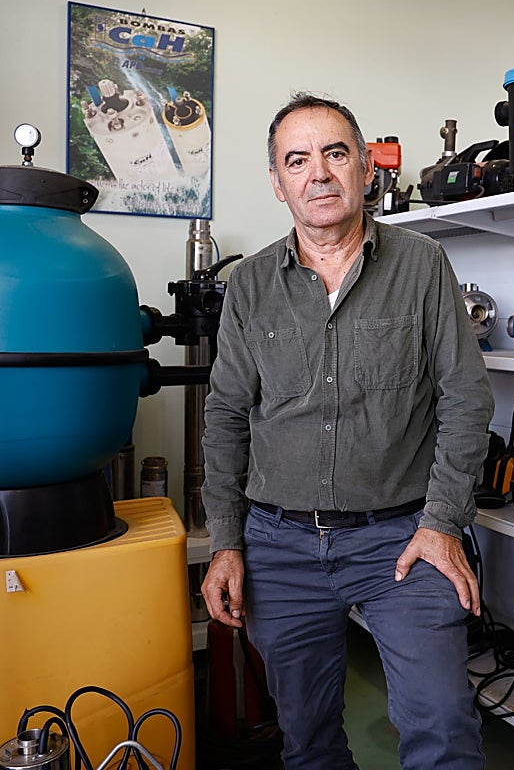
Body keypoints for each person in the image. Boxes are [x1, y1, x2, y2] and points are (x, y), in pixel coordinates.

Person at [200, 92, 494, 770]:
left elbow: (465, 396)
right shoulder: (248, 287)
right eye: (296, 160)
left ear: (364, 167)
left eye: (335, 153)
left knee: (444, 726)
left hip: (402, 541)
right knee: (306, 742)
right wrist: (225, 543)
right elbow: (224, 416)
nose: (319, 173)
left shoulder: (421, 264)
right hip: (279, 546)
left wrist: (442, 523)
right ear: (278, 183)